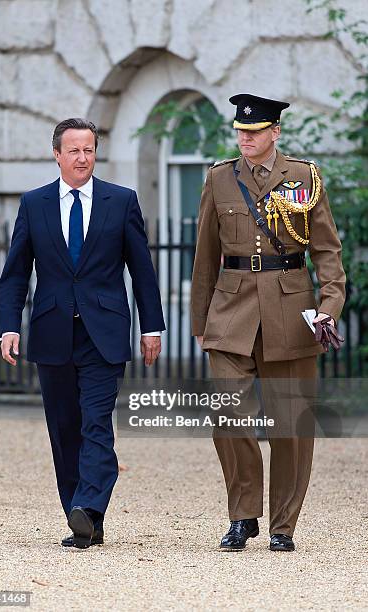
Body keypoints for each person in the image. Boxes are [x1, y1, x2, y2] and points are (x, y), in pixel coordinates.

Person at [0, 118, 165, 549]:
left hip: (103, 332)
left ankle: (90, 508)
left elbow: (141, 272)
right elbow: (15, 273)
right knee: (64, 428)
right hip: (52, 331)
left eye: (89, 149)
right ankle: (80, 514)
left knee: (96, 425)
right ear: (57, 154)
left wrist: (152, 327)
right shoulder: (33, 204)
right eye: (73, 150)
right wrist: (8, 326)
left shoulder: (120, 201)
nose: (82, 158)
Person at [191, 94, 346, 552]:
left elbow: (327, 254)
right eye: (240, 132)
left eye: (254, 132)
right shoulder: (219, 178)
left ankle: (283, 525)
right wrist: (199, 320)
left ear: (275, 132)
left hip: (289, 311)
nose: (245, 139)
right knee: (227, 413)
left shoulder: (303, 177)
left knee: (291, 426)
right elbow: (204, 257)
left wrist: (329, 306)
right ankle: (243, 516)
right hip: (230, 311)